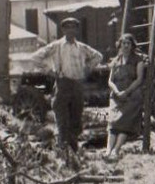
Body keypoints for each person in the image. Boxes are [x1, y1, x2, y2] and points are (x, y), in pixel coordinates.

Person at [27, 16, 104, 166]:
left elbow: (98, 56)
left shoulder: (81, 47)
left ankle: (74, 155)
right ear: (63, 30)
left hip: (77, 86)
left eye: (73, 27)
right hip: (62, 86)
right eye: (67, 27)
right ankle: (63, 157)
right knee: (62, 122)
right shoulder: (56, 46)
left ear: (77, 29)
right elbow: (35, 58)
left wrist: (87, 69)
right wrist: (50, 71)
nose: (70, 30)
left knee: (76, 122)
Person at [104, 33, 149, 163]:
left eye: (128, 43)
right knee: (112, 123)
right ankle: (107, 152)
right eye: (123, 43)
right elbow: (110, 81)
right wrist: (117, 91)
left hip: (132, 94)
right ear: (120, 45)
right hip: (117, 95)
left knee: (124, 122)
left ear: (132, 45)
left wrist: (126, 91)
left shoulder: (138, 59)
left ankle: (115, 150)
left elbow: (139, 79)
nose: (125, 46)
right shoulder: (116, 60)